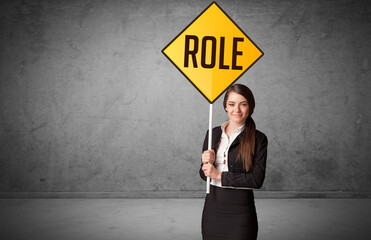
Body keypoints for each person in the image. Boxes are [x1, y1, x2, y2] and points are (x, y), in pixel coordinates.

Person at [199, 84, 268, 240]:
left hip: (241, 211)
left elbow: (256, 180)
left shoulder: (259, 139)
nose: (236, 109)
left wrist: (219, 176)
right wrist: (205, 165)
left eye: (243, 104)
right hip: (213, 209)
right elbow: (204, 176)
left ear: (250, 107)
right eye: (231, 104)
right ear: (225, 106)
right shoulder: (213, 133)